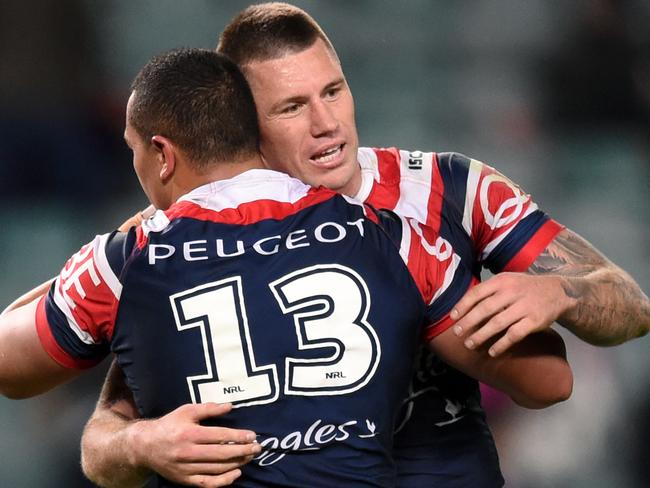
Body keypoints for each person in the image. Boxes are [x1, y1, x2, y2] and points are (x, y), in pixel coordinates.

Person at [76, 3, 650, 488]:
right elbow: (107, 428)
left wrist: (563, 292)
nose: (328, 123)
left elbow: (631, 307)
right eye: (293, 107)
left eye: (334, 90)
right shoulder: (178, 241)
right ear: (247, 127)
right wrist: (138, 443)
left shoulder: (455, 189)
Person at [0, 47, 572, 487]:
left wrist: (112, 244)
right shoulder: (393, 236)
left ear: (162, 154)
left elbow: (9, 365)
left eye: (134, 150)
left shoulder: (126, 262)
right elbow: (548, 382)